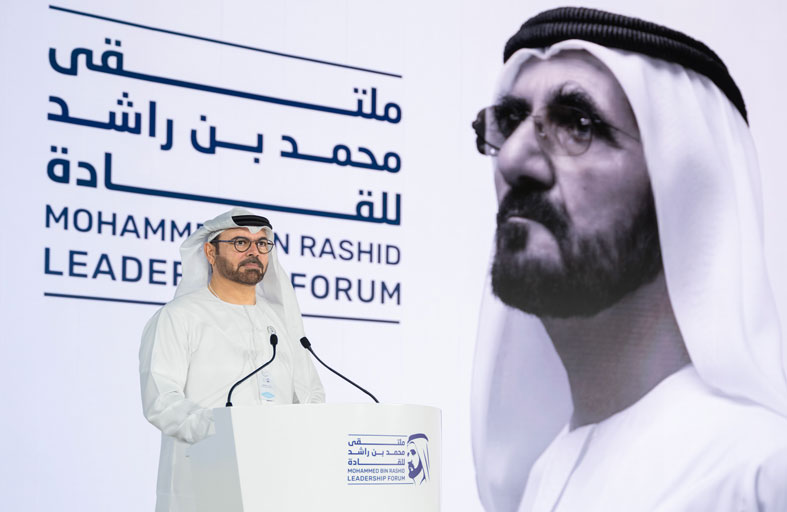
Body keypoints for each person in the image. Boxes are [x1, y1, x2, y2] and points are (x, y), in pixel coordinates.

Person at [470, 7, 787, 512]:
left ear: (682, 187)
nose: (512, 160)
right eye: (509, 123)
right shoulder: (545, 476)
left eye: (577, 125)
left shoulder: (758, 473)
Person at [139, 208, 325, 512]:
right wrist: (225, 432)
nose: (254, 251)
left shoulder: (281, 322)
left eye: (262, 243)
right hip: (204, 482)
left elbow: (310, 394)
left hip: (277, 483)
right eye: (240, 242)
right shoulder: (178, 317)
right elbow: (162, 401)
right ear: (210, 252)